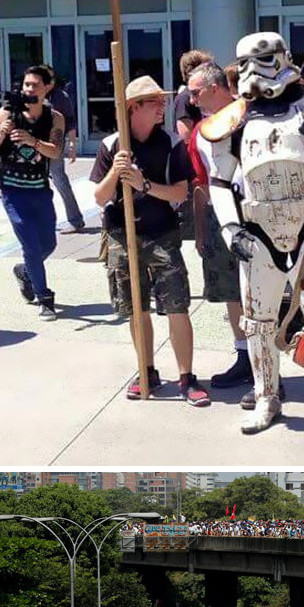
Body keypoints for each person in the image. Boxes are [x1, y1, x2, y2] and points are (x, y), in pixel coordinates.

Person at [199, 31, 304, 447]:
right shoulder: (233, 119)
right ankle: (267, 397)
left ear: (283, 58)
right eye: (248, 62)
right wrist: (229, 227)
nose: (257, 71)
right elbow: (219, 180)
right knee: (257, 324)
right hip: (256, 236)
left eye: (265, 59)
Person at [90, 74, 211, 407]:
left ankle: (186, 377)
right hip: (121, 235)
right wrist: (116, 171)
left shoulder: (171, 143)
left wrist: (144, 184)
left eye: (163, 100)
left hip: (162, 234)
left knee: (177, 306)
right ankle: (146, 371)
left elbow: (181, 192)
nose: (163, 107)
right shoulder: (112, 144)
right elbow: (100, 198)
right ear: (133, 108)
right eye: (154, 102)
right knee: (136, 309)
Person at [186, 61, 253, 392]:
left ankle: (267, 362)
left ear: (215, 88)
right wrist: (201, 229)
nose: (192, 99)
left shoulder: (254, 115)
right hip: (220, 214)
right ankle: (244, 356)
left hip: (257, 212)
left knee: (263, 289)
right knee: (230, 290)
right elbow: (202, 183)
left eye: (196, 92)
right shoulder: (200, 132)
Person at [0, 64, 64, 319]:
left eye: (35, 85)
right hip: (13, 191)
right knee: (31, 246)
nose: (29, 89)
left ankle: (25, 272)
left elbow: (55, 151)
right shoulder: (5, 114)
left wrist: (32, 140)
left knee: (48, 243)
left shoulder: (54, 118)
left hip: (40, 190)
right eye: (26, 85)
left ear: (48, 88)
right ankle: (44, 297)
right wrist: (2, 134)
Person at [44, 67, 85, 233]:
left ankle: (75, 220)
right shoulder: (34, 97)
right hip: (37, 144)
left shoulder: (60, 96)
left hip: (55, 144)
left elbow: (70, 121)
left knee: (60, 180)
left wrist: (73, 144)